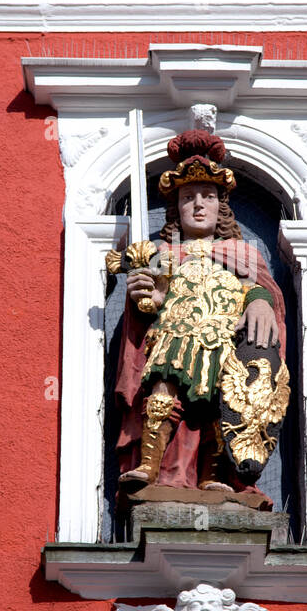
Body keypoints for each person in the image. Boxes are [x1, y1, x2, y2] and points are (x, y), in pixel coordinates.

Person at [113, 129, 287, 499]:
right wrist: (146, 296)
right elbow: (149, 303)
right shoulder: (162, 252)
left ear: (220, 206)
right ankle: (149, 464)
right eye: (188, 197)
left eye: (207, 196)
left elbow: (261, 290)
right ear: (176, 206)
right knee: (161, 389)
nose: (197, 204)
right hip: (175, 333)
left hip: (221, 340)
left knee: (216, 406)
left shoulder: (241, 254)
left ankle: (213, 474)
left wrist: (259, 300)